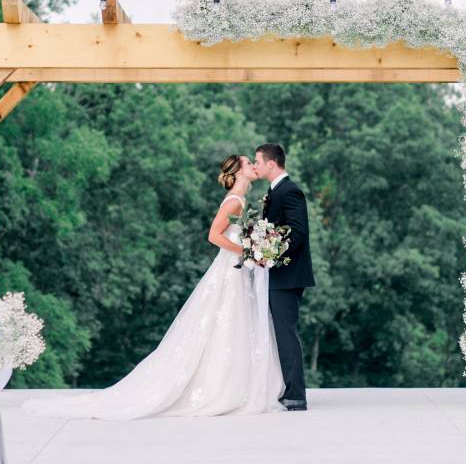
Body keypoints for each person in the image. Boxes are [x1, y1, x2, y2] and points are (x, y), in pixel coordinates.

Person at [23, 155, 284, 420]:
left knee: (232, 327)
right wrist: (246, 250)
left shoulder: (239, 200)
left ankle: (233, 384)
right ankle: (220, 388)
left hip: (236, 272)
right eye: (248, 162)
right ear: (238, 172)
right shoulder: (234, 201)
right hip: (230, 271)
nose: (253, 165)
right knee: (225, 325)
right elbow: (213, 235)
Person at [253, 143, 314, 411]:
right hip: (276, 275)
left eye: (258, 161)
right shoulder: (274, 191)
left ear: (271, 163)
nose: (255, 165)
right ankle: (285, 389)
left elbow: (298, 232)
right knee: (279, 332)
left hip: (287, 275)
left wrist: (270, 253)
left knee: (285, 332)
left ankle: (296, 395)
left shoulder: (290, 191)